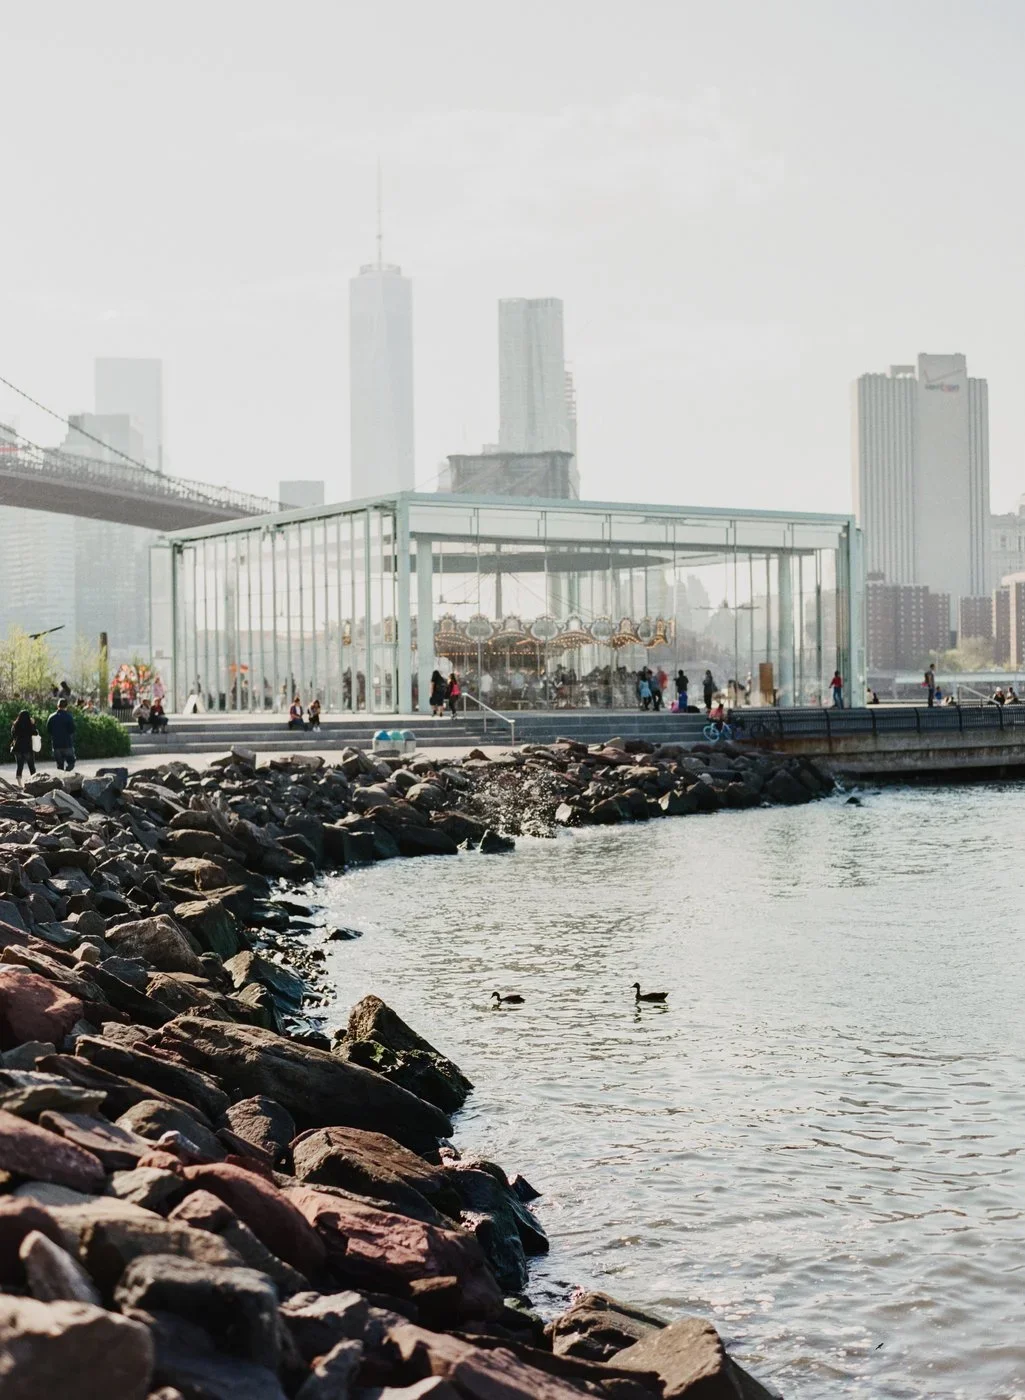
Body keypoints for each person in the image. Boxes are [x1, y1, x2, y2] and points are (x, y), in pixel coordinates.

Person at [10, 710, 39, 787]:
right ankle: (33, 782)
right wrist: (33, 724)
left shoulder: (15, 724)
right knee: (31, 766)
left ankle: (19, 784)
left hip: (17, 748)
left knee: (19, 766)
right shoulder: (29, 725)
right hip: (27, 748)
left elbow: (13, 735)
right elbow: (35, 733)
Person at [47, 697, 76, 772]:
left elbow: (49, 730)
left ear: (57, 706)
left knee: (59, 766)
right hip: (67, 744)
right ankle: (67, 772)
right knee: (71, 763)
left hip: (56, 745)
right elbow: (72, 730)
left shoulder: (51, 717)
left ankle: (61, 779)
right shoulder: (69, 717)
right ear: (66, 706)